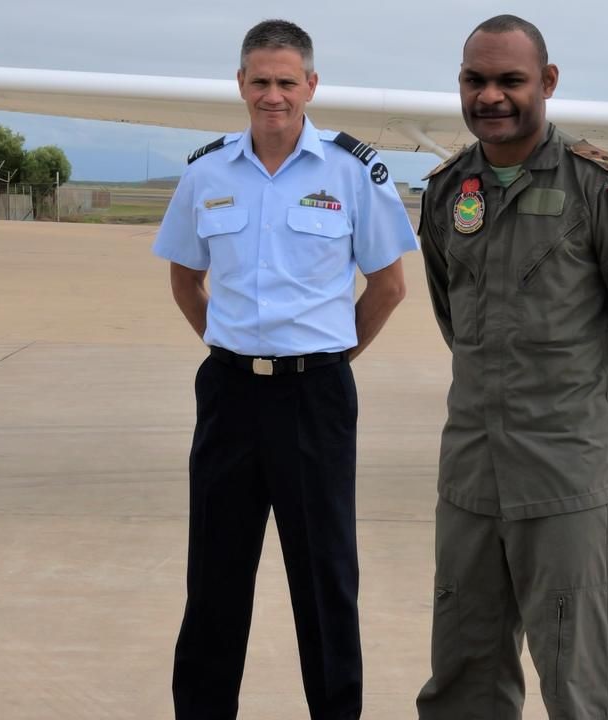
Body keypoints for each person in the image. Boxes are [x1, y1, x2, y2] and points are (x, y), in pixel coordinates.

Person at [415, 15, 608, 719]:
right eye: (475, 80)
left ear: (548, 81)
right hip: (472, 474)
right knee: (463, 675)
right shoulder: (448, 190)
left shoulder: (599, 186)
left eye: (510, 80)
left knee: (578, 682)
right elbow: (454, 316)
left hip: (565, 474)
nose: (491, 96)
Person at [152, 19, 417, 720]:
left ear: (311, 85)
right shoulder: (207, 173)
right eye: (261, 81)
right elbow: (185, 280)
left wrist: (327, 357)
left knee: (325, 578)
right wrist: (233, 348)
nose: (274, 95)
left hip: (315, 395)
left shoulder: (352, 172)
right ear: (241, 84)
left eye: (287, 82)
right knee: (215, 576)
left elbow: (389, 286)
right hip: (230, 394)